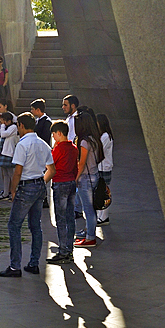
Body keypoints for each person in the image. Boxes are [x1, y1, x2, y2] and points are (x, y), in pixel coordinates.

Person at [0, 113, 55, 278]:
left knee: (14, 225)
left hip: (26, 186)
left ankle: (15, 266)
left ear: (21, 126)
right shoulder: (42, 144)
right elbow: (52, 170)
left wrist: (13, 190)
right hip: (39, 185)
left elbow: (17, 171)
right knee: (35, 226)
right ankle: (33, 263)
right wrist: (40, 182)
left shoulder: (23, 145)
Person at [46, 120, 78, 264]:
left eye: (54, 134)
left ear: (59, 133)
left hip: (60, 183)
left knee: (61, 218)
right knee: (70, 217)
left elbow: (50, 164)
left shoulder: (59, 149)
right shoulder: (73, 148)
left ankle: (63, 250)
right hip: (71, 182)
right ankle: (69, 249)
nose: (53, 137)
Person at [74, 110, 104, 248]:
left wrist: (75, 178)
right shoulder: (94, 139)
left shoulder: (85, 142)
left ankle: (90, 238)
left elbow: (81, 163)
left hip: (86, 178)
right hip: (94, 175)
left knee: (88, 210)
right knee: (91, 209)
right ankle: (88, 234)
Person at [96, 113, 114, 225]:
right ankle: (101, 215)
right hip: (102, 167)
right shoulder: (103, 136)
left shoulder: (106, 136)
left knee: (104, 192)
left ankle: (104, 216)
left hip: (104, 168)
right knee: (100, 191)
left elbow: (99, 150)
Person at [0, 111, 16, 200]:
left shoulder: (13, 127)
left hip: (9, 152)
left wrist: (2, 126)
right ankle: (5, 192)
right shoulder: (4, 126)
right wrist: (0, 123)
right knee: (5, 173)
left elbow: (3, 134)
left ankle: (13, 191)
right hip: (3, 150)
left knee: (11, 173)